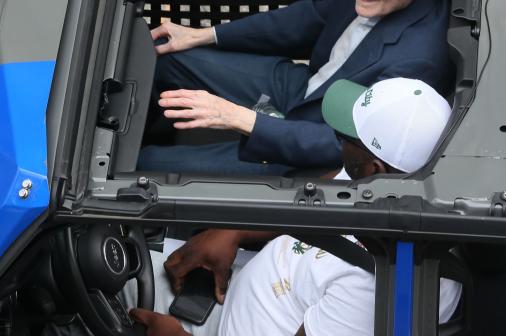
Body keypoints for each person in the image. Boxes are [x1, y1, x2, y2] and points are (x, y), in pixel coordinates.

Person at [127, 77, 462, 335]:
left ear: (375, 168)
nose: (339, 140)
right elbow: (325, 192)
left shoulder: (383, 291)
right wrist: (235, 230)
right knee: (118, 253)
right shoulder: (392, 182)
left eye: (346, 138)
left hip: (216, 327)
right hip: (236, 282)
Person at [138, 0, 452, 175]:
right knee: (165, 57)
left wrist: (240, 119)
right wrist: (205, 35)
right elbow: (313, 19)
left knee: (146, 165)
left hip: (311, 150)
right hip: (304, 89)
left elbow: (345, 145)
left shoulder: (418, 61)